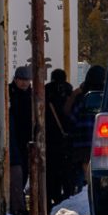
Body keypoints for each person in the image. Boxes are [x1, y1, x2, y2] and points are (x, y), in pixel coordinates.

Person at [44, 69, 79, 203]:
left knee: (50, 172)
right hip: (67, 138)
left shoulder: (46, 91)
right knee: (66, 173)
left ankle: (50, 200)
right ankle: (66, 200)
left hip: (50, 139)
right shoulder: (70, 92)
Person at [6, 67, 36, 215]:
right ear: (16, 79)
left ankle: (17, 204)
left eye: (27, 80)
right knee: (16, 172)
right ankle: (15, 205)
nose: (25, 83)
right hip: (11, 139)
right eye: (22, 80)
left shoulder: (32, 95)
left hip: (27, 140)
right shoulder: (7, 94)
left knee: (24, 172)